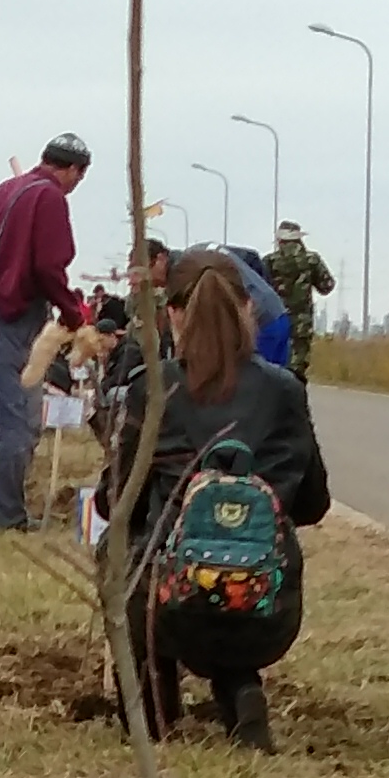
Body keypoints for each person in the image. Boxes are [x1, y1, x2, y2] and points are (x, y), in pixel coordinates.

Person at [130, 253, 331, 752]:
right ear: (248, 307)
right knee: (232, 568)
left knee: (132, 554)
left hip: (171, 604)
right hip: (266, 606)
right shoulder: (285, 389)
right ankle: (240, 686)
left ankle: (155, 703)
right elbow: (313, 502)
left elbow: (122, 502)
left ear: (172, 313)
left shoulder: (152, 391)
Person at [0, 134, 90, 530]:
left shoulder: (4, 191)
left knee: (7, 413)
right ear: (72, 170)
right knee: (21, 422)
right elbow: (49, 267)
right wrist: (72, 315)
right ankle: (9, 516)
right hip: (10, 317)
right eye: (78, 178)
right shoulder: (49, 198)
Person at [264, 221, 336, 367]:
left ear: (279, 239)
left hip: (274, 320)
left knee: (273, 363)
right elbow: (327, 286)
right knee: (298, 365)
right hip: (302, 323)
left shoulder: (269, 261)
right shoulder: (311, 259)